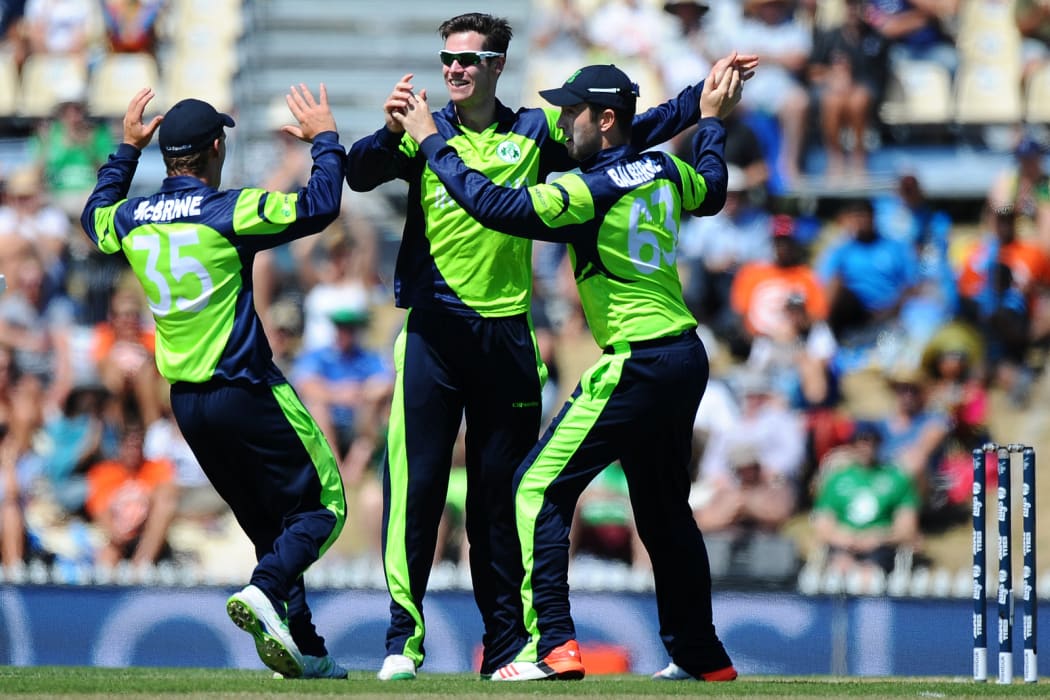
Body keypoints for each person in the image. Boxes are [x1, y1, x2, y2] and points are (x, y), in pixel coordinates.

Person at [344, 11, 757, 681]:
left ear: (600, 121)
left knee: (530, 488)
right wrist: (707, 115)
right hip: (686, 354)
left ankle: (552, 646)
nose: (561, 125)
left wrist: (432, 144)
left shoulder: (581, 186)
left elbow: (497, 209)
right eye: (446, 58)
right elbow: (709, 187)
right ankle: (701, 655)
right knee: (662, 508)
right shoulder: (662, 172)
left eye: (572, 115)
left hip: (634, 358)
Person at [79, 86, 348, 680]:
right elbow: (322, 204)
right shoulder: (230, 210)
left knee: (266, 525)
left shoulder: (130, 218)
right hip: (246, 388)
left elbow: (93, 217)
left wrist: (125, 151)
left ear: (168, 156)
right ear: (216, 147)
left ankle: (305, 647)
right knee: (326, 505)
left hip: (188, 406)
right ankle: (264, 589)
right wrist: (325, 138)